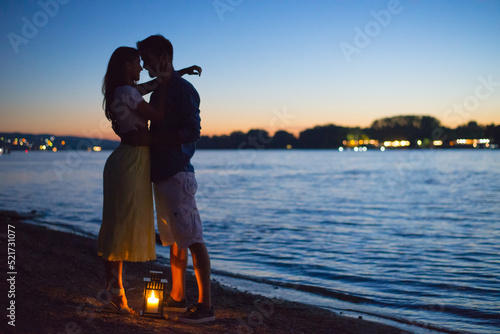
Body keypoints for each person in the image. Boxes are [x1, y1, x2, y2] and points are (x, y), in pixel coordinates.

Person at [97, 46, 199, 315]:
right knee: (121, 225)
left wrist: (178, 73)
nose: (140, 68)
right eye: (136, 64)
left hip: (130, 161)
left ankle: (113, 290)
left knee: (119, 223)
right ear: (126, 66)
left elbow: (152, 84)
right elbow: (159, 114)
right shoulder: (128, 92)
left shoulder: (122, 91)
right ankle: (116, 294)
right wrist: (166, 89)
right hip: (131, 162)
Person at [131, 34, 214, 324]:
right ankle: (178, 298)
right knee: (176, 242)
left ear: (163, 55)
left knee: (192, 239)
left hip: (178, 173)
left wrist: (154, 137)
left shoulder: (183, 90)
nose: (144, 64)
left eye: (148, 59)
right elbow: (163, 82)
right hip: (164, 175)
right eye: (142, 61)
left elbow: (192, 132)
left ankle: (206, 307)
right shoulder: (160, 90)